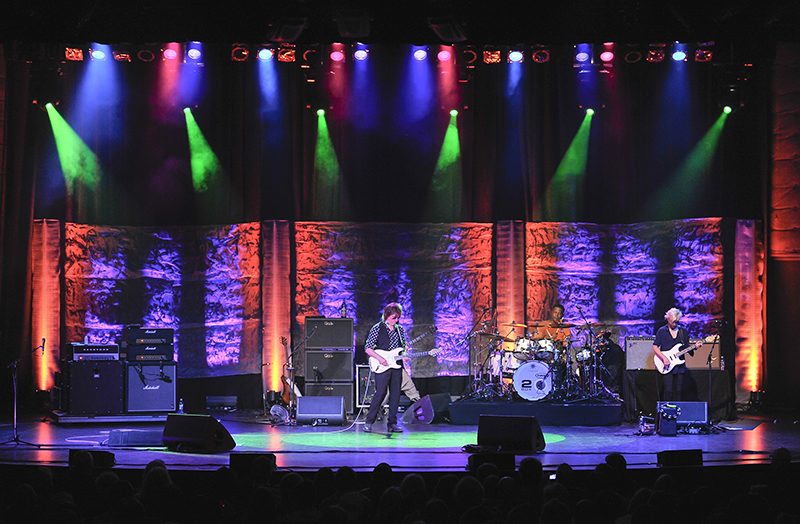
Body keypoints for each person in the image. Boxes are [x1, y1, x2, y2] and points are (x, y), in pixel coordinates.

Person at [363, 303, 408, 433]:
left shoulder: (400, 330)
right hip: (382, 365)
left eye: (398, 318)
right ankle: (369, 421)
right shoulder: (377, 328)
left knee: (395, 394)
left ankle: (392, 423)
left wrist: (404, 356)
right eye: (394, 317)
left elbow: (403, 348)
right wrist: (380, 359)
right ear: (387, 315)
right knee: (380, 393)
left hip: (396, 366)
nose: (396, 320)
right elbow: (368, 348)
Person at [652, 307, 695, 401]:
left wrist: (695, 347)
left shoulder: (683, 331)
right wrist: (664, 358)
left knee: (678, 391)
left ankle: (677, 412)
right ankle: (667, 413)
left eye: (677, 322)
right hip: (667, 365)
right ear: (668, 319)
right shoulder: (662, 331)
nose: (675, 324)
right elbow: (655, 347)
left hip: (680, 365)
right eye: (673, 322)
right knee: (668, 391)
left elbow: (686, 347)